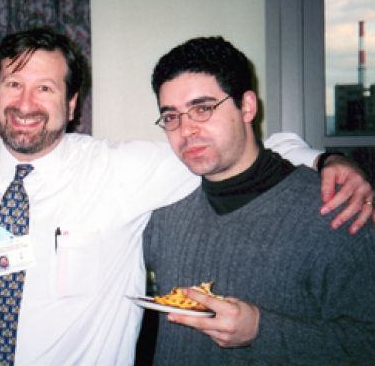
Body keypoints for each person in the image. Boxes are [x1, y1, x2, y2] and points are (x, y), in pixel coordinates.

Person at [0, 27, 373, 365]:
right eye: (14, 84)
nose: (26, 103)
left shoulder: (123, 169)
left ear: (72, 105)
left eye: (45, 88)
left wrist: (325, 159)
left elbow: (233, 153)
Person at [143, 36, 375, 364]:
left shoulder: (333, 210)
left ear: (247, 107)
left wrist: (261, 331)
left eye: (203, 109)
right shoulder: (163, 210)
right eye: (171, 117)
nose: (186, 130)